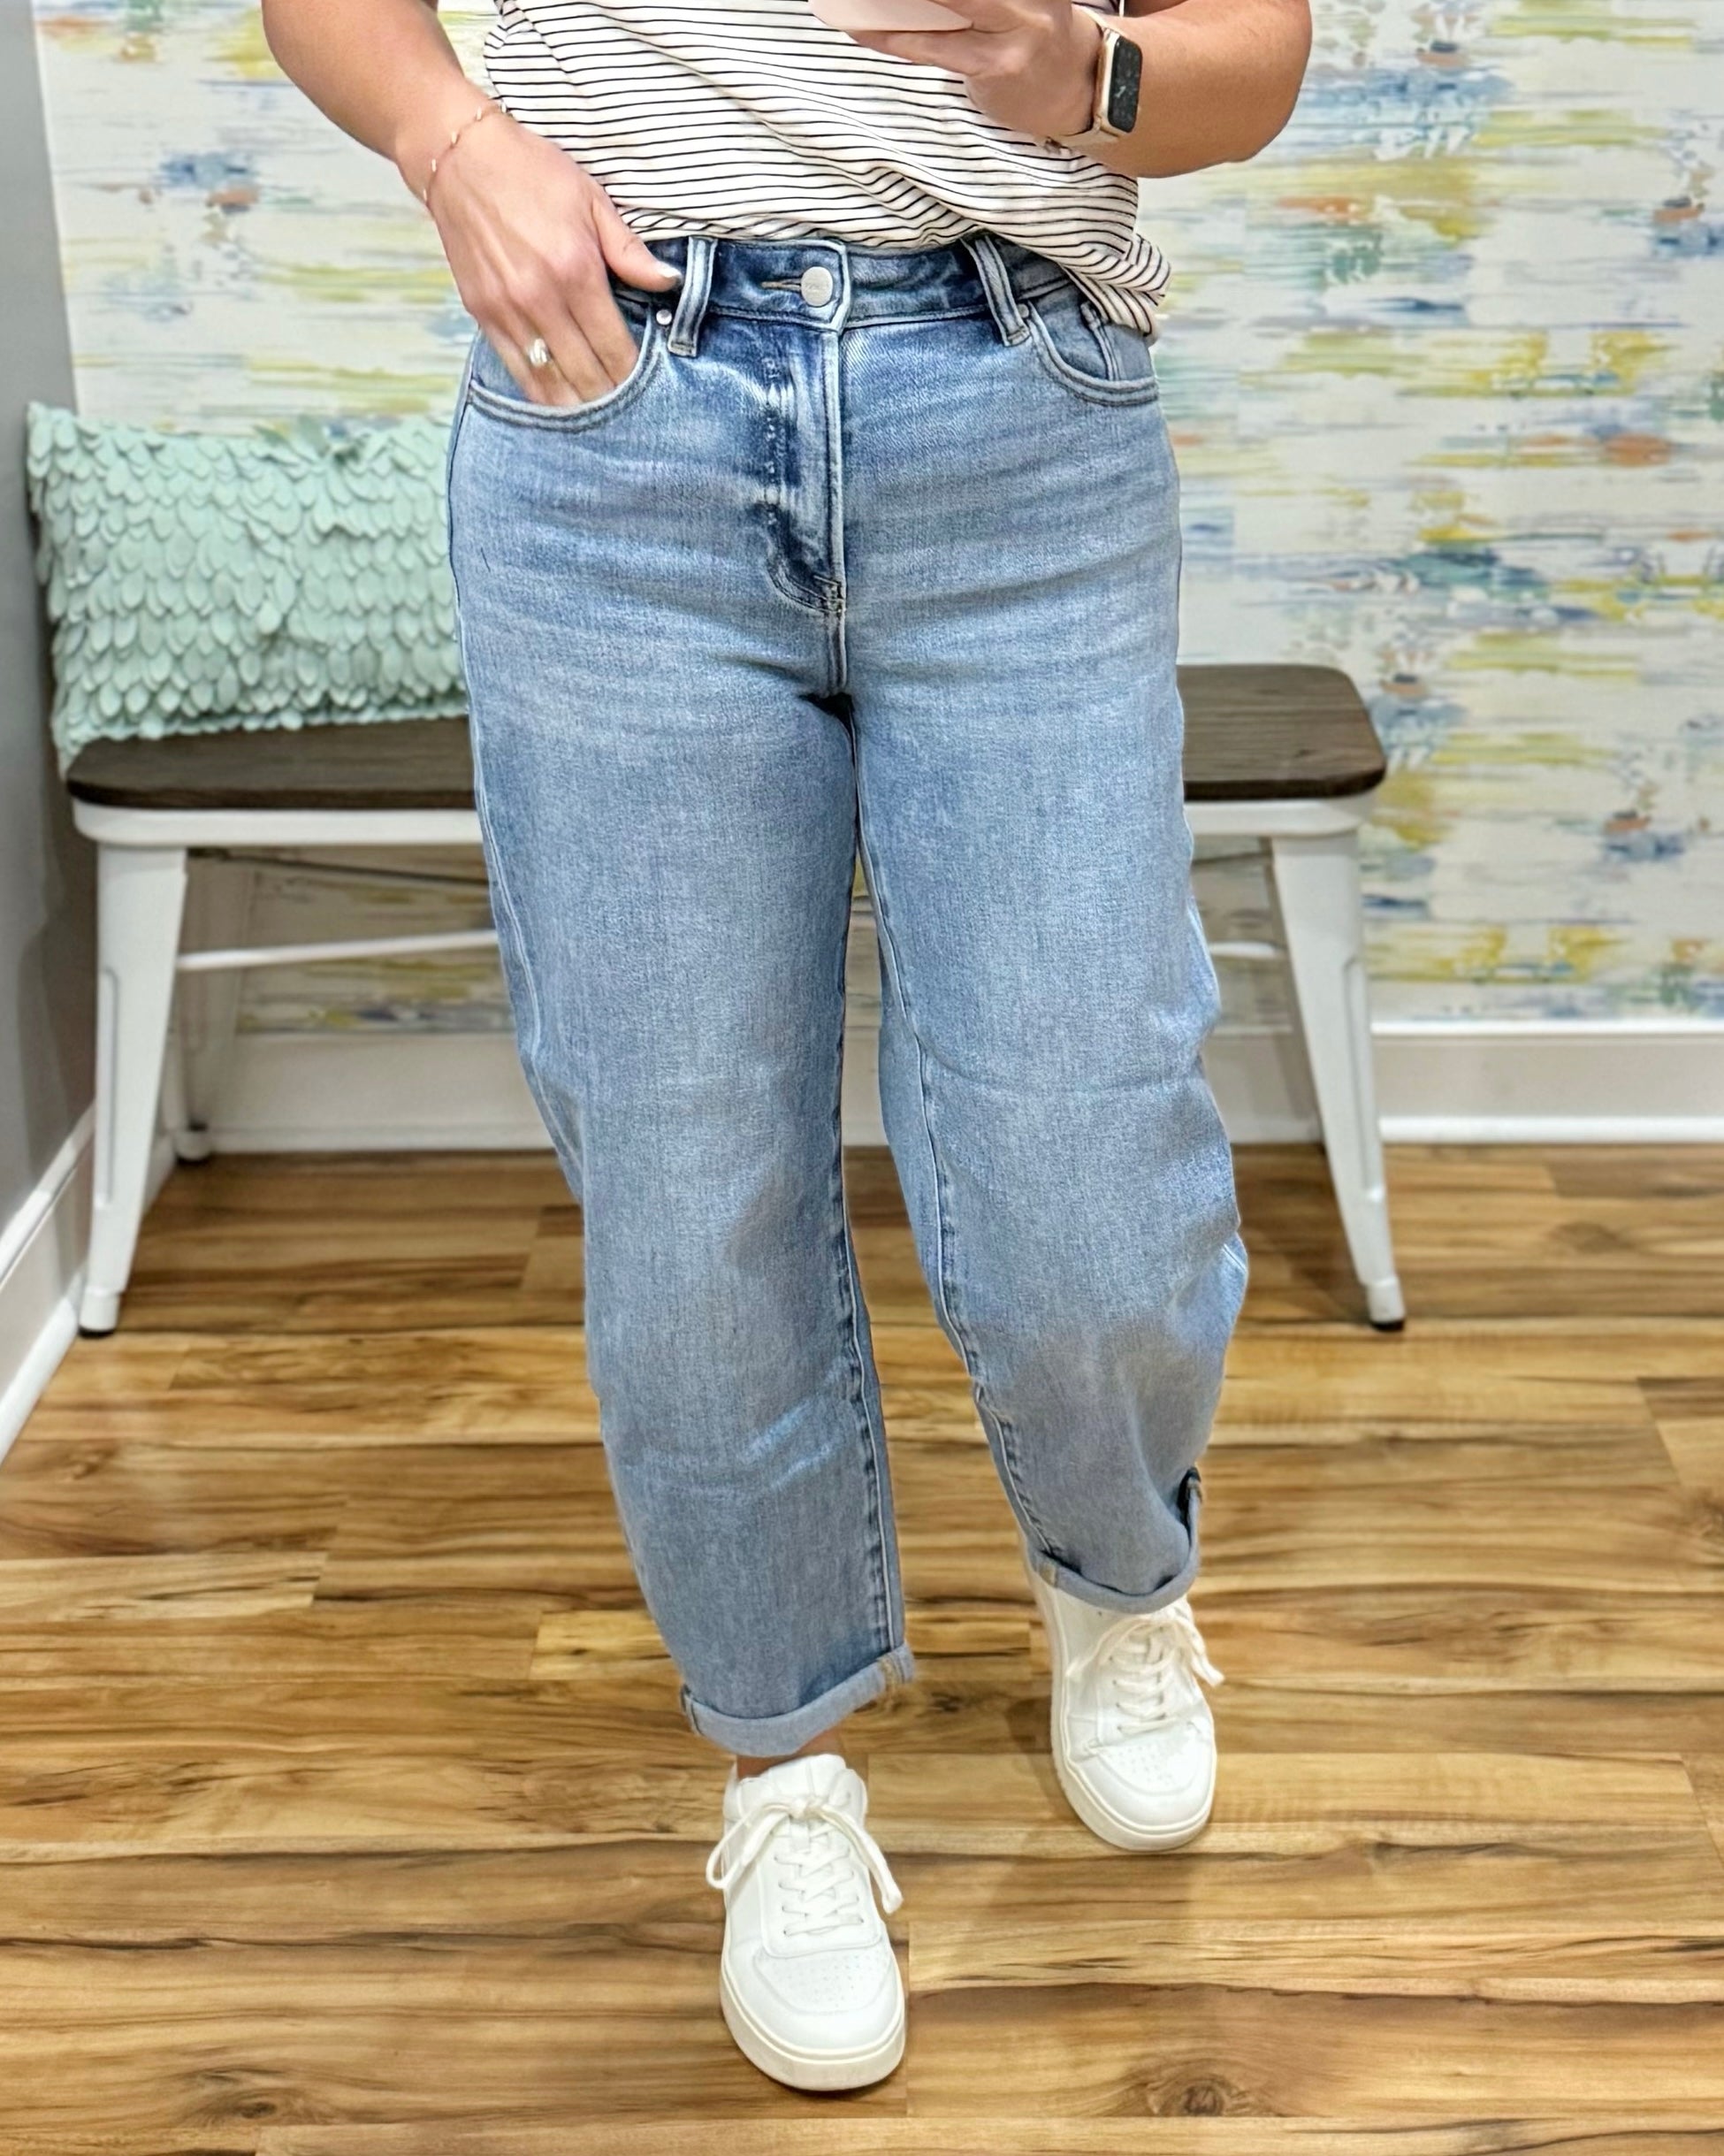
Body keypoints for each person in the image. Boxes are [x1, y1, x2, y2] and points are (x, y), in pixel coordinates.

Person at [264, 0, 1308, 2092]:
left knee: (1086, 1155)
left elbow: (1252, 57)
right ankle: (786, 1766)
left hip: (1015, 411)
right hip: (617, 428)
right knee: (686, 1179)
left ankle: (1119, 1577)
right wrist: (458, 144)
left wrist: (1080, 70)